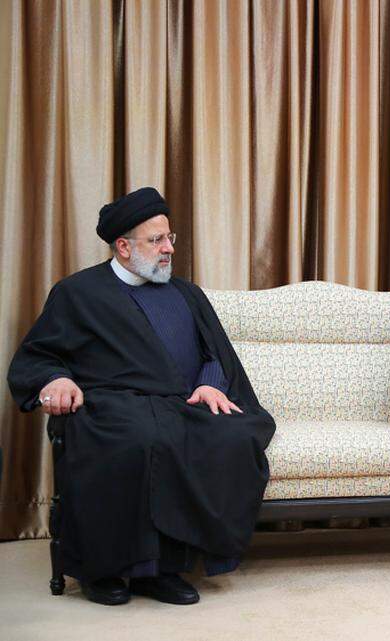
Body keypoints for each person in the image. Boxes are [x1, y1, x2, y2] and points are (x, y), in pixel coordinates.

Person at [7, 187, 276, 606]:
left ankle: (162, 570)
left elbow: (216, 354)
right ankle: (104, 571)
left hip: (183, 403)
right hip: (110, 404)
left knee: (232, 437)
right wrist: (57, 380)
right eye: (157, 241)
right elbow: (40, 356)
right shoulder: (77, 293)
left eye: (170, 238)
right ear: (124, 247)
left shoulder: (187, 294)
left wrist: (209, 383)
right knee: (136, 439)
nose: (169, 248)